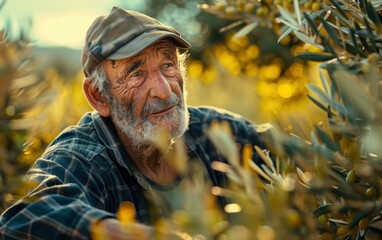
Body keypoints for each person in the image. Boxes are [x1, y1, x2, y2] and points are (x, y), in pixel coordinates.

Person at [0, 6, 270, 239]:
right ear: (98, 96)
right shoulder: (83, 157)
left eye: (168, 65)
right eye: (137, 73)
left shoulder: (216, 132)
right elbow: (23, 219)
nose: (164, 91)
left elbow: (298, 158)